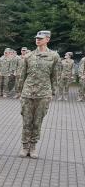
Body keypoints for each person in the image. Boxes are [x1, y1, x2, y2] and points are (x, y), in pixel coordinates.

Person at [17, 30, 59, 158]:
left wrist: (52, 92)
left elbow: (54, 75)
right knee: (27, 121)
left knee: (37, 122)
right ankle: (25, 146)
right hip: (27, 93)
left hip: (43, 94)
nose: (38, 40)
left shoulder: (54, 56)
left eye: (41, 38)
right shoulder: (28, 56)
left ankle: (33, 146)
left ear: (47, 39)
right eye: (36, 38)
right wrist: (20, 92)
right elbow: (22, 75)